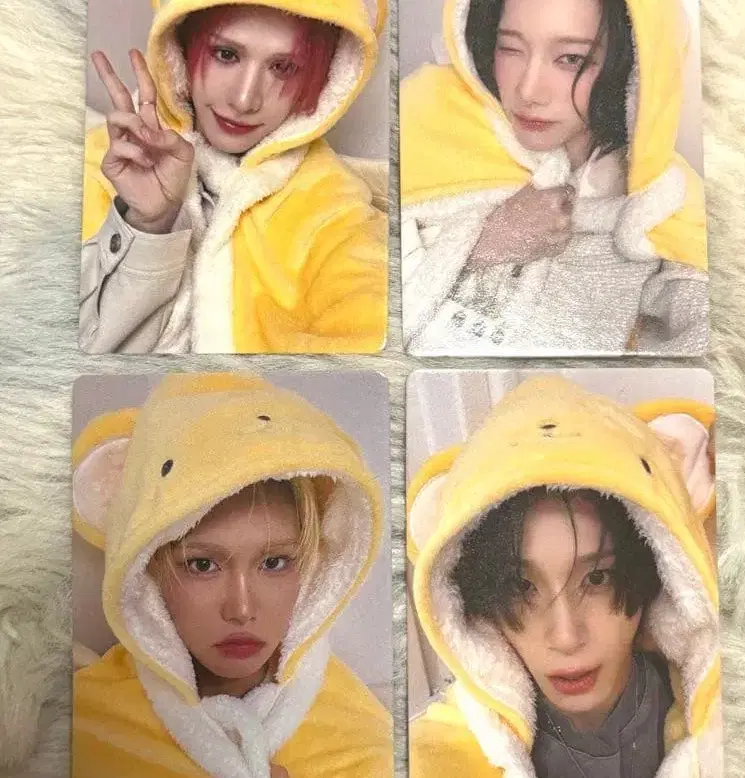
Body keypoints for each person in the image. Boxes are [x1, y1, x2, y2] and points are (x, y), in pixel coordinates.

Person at [71, 373, 392, 778]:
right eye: (202, 565)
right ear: (148, 570)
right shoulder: (86, 725)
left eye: (274, 563)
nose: (241, 609)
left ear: (312, 571)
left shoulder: (364, 734)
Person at [407, 375, 720, 777]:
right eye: (522, 587)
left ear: (657, 565)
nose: (566, 637)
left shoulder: (725, 712)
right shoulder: (448, 750)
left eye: (597, 579)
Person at [401, 0, 708, 356]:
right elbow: (376, 293)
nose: (529, 91)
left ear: (633, 64)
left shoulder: (662, 198)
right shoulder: (426, 121)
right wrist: (486, 239)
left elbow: (716, 334)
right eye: (510, 48)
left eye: (571, 59)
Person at [80, 0, 387, 354]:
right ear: (180, 47)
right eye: (226, 54)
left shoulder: (334, 205)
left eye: (282, 67)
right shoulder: (102, 163)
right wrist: (147, 226)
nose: (244, 99)